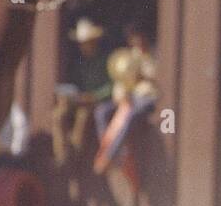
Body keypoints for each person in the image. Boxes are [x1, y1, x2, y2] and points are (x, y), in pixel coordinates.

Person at [94, 26, 159, 177]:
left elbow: (155, 79)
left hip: (146, 97)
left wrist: (143, 74)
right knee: (101, 111)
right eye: (133, 39)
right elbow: (121, 81)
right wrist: (123, 94)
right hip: (129, 98)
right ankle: (111, 150)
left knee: (130, 116)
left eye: (139, 37)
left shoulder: (153, 54)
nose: (137, 41)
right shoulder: (129, 57)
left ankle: (111, 156)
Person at [53, 17, 111, 174]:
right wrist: (69, 94)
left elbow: (111, 86)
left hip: (94, 102)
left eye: (86, 42)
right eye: (81, 43)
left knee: (83, 116)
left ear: (94, 41)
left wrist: (95, 96)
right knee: (58, 115)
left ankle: (74, 156)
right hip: (78, 99)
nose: (82, 46)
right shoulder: (78, 63)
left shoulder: (105, 61)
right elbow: (73, 83)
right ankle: (62, 155)